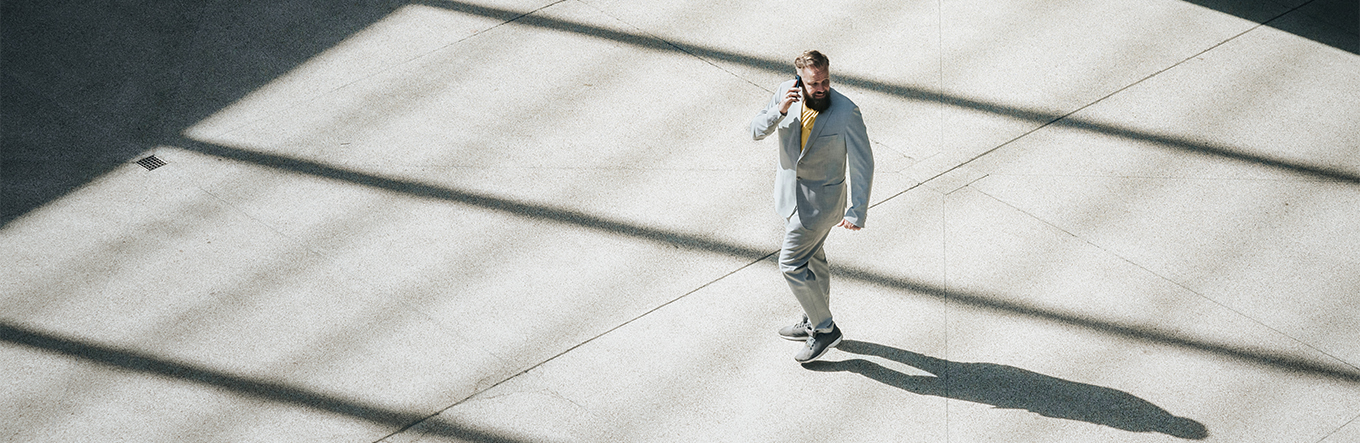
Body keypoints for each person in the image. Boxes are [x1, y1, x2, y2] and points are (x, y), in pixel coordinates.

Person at [750, 50, 873, 363]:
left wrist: (857, 209)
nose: (821, 88)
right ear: (798, 80)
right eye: (813, 83)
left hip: (823, 204)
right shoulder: (784, 95)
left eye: (825, 81)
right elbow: (755, 131)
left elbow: (863, 163)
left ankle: (824, 328)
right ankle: (811, 319)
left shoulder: (846, 111)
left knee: (790, 263)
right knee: (814, 261)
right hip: (791, 199)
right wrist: (779, 110)